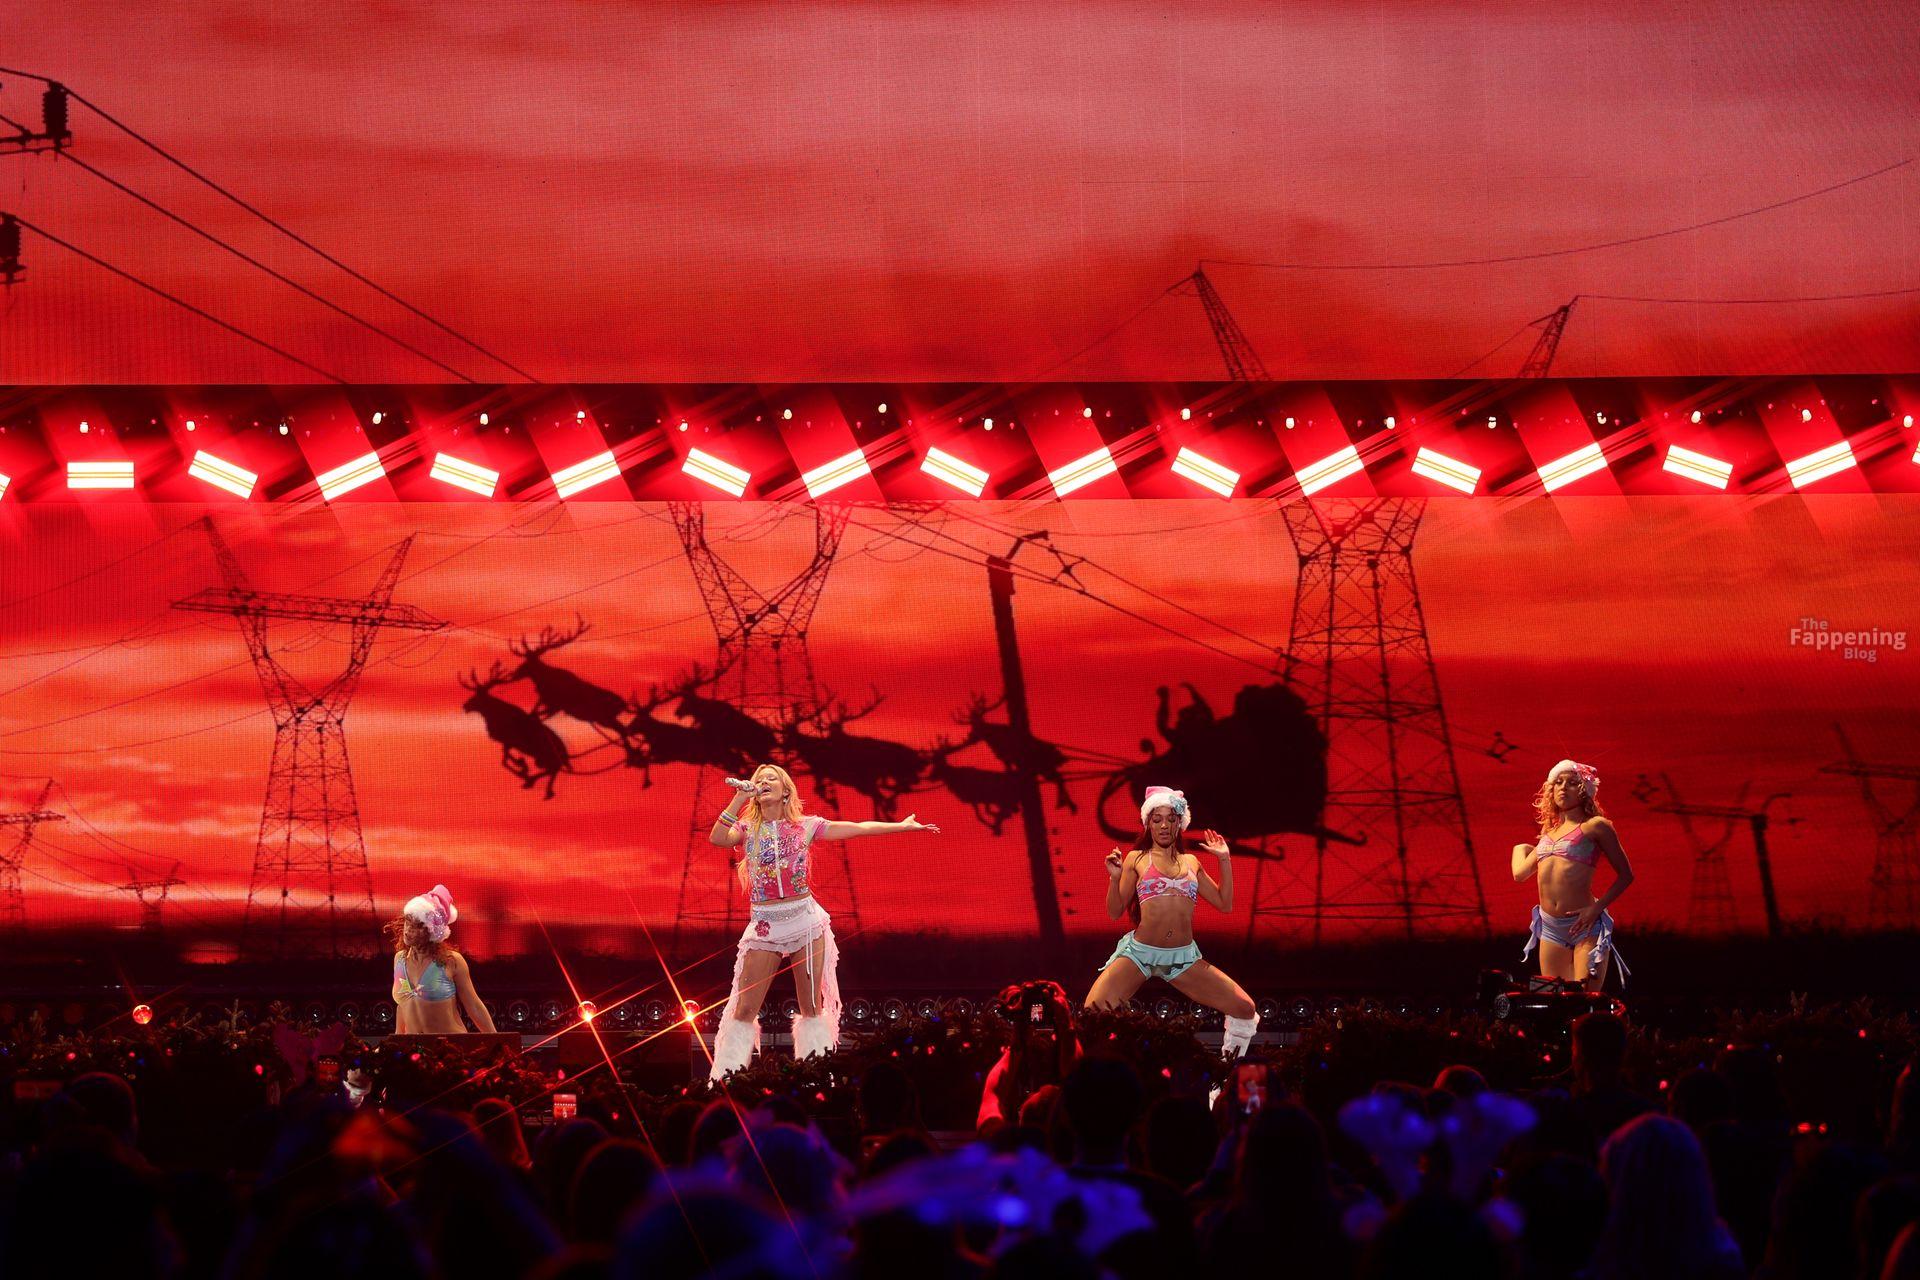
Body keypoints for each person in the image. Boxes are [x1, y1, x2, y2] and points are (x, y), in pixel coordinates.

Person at [706, 762, 939, 1079]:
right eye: (759, 779)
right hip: (765, 925)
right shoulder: (747, 829)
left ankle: (815, 1078)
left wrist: (901, 826)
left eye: (771, 778)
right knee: (745, 1009)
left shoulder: (806, 825)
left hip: (804, 920)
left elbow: (856, 828)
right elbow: (718, 838)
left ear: (785, 790)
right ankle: (726, 1079)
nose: (763, 782)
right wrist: (738, 798)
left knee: (811, 1006)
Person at [1087, 785, 1258, 1059]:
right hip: (1140, 954)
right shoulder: (1136, 858)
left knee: (1245, 1008)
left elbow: (1224, 904)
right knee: (1092, 1014)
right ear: (1148, 824)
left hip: (1182, 959)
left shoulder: (1192, 862)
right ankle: (1105, 1077)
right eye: (1157, 819)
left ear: (1180, 823)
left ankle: (1226, 1075)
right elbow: (1115, 911)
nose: (1164, 825)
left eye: (1171, 819)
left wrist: (1224, 859)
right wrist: (1115, 878)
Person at [1511, 760, 1636, 991]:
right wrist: (1520, 848)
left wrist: (1595, 909)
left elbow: (1626, 875)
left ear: (1584, 790)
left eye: (1571, 783)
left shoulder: (1595, 826)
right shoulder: (1547, 836)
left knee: (1584, 997)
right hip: (1551, 927)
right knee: (1553, 997)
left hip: (1584, 925)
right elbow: (1519, 874)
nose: (1563, 787)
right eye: (1558, 782)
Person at [385, 884, 496, 1034]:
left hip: (450, 1045)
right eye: (407, 922)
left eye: (417, 926)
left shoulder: (451, 961)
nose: (408, 930)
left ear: (432, 931)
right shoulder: (399, 959)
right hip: (415, 1046)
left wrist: (497, 1041)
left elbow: (474, 1006)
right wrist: (397, 1041)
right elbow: (403, 1005)